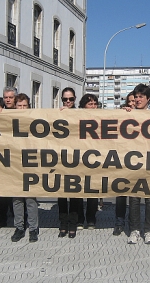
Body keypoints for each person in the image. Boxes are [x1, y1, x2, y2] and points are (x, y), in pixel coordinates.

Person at [127, 84, 150, 245]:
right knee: (134, 199)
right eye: (136, 96)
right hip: (132, 162)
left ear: (148, 99)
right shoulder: (128, 114)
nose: (138, 99)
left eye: (141, 97)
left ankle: (149, 230)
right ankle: (134, 230)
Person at [10, 93, 39, 242]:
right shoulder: (8, 119)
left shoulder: (33, 119)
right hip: (14, 162)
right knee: (17, 198)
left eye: (24, 106)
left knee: (30, 198)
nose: (21, 108)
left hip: (30, 162)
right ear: (14, 106)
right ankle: (19, 227)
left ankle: (33, 229)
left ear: (29, 106)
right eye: (19, 105)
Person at [0, 86, 18, 230]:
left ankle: (19, 217)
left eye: (11, 97)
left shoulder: (23, 111)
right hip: (2, 155)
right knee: (0, 188)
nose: (8, 100)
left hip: (18, 157)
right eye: (5, 97)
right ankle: (0, 218)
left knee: (17, 188)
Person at [57, 87, 83, 238]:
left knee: (74, 195)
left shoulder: (81, 115)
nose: (68, 102)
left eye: (71, 99)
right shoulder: (56, 115)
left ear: (75, 100)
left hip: (77, 160)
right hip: (60, 160)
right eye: (65, 99)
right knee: (61, 194)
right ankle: (62, 224)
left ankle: (73, 225)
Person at [113, 91, 135, 236]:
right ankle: (119, 223)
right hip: (122, 160)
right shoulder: (121, 115)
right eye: (130, 101)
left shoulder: (147, 115)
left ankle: (134, 224)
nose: (132, 103)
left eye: (135, 101)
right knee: (120, 196)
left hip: (138, 162)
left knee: (135, 197)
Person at [77, 94, 99, 230]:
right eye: (90, 104)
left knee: (93, 191)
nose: (93, 106)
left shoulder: (101, 118)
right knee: (78, 191)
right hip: (79, 159)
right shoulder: (76, 117)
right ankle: (80, 219)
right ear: (83, 105)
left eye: (95, 103)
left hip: (95, 159)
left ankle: (91, 219)